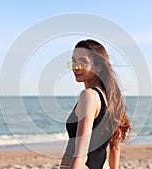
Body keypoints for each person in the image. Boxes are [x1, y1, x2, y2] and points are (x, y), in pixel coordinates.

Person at [60, 39, 131, 169]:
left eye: (83, 62)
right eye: (74, 61)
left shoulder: (88, 96)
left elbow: (81, 155)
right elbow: (115, 147)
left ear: (98, 66)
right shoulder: (113, 98)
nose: (76, 67)